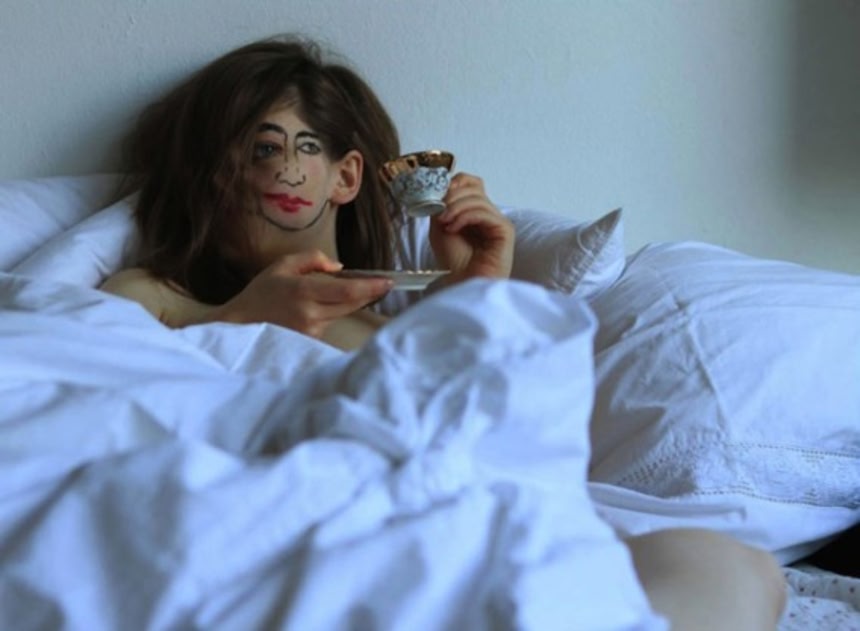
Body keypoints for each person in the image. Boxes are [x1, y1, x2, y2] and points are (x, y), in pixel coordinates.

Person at [100, 35, 786, 630]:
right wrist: (239, 319)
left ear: (345, 177)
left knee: (736, 568)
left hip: (457, 531)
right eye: (243, 154)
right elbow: (90, 394)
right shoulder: (156, 297)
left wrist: (479, 295)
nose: (264, 173)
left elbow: (515, 452)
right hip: (293, 532)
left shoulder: (406, 332)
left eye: (281, 148)